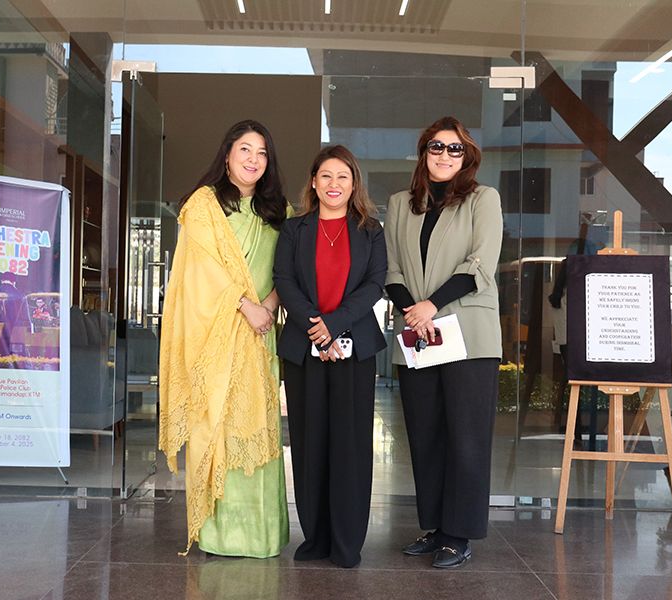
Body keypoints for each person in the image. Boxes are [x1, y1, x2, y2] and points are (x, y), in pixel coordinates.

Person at [159, 120, 289, 557]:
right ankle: (218, 534)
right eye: (245, 149)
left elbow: (288, 269)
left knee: (258, 429)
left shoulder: (279, 211)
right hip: (216, 335)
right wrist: (246, 306)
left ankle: (261, 535)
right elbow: (202, 272)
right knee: (213, 426)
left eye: (262, 152)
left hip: (260, 335)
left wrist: (268, 306)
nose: (254, 159)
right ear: (228, 154)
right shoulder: (204, 205)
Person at [385, 116, 503, 569]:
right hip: (418, 335)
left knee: (466, 439)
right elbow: (392, 269)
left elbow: (480, 264)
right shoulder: (400, 204)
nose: (445, 155)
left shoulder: (483, 199)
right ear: (424, 152)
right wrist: (414, 311)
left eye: (455, 148)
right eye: (437, 146)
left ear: (467, 156)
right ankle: (435, 527)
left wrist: (430, 305)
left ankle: (459, 534)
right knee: (425, 435)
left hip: (468, 334)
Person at [273, 145, 387, 568]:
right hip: (305, 351)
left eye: (342, 176)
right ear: (314, 183)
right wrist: (316, 328)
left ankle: (346, 542)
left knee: (350, 445)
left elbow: (375, 284)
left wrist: (334, 325)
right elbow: (284, 279)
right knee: (309, 442)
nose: (334, 184)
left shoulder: (371, 231)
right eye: (326, 176)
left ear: (354, 184)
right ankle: (315, 539)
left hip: (354, 351)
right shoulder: (294, 229)